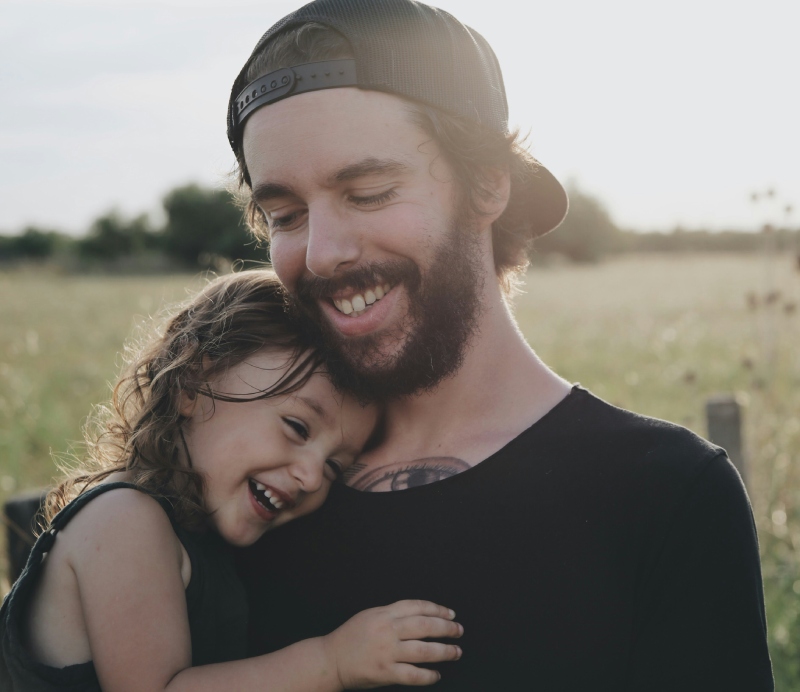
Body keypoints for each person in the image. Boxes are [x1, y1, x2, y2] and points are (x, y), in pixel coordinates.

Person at [228, 1, 774, 690]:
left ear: (487, 184)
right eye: (285, 215)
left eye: (367, 192)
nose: (324, 252)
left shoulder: (665, 495)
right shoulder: (254, 488)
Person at [0, 270, 464, 691]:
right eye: (297, 428)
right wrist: (333, 662)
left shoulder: (199, 537)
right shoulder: (124, 520)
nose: (308, 476)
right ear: (191, 382)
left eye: (332, 468)